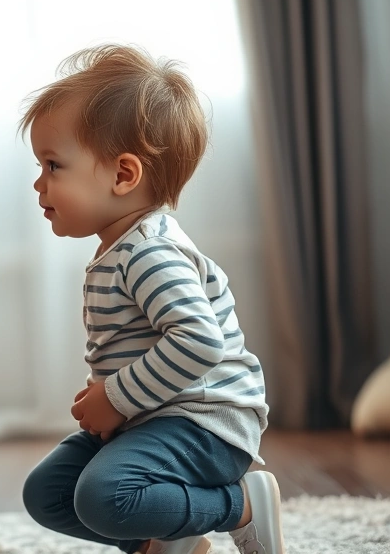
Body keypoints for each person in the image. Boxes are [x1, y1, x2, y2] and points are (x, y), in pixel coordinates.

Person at [19, 45, 285, 554]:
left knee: (103, 497)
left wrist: (115, 397)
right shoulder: (119, 250)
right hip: (152, 418)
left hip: (205, 423)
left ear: (123, 175)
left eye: (53, 165)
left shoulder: (149, 253)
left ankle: (241, 503)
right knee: (48, 493)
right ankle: (161, 546)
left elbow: (199, 341)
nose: (39, 183)